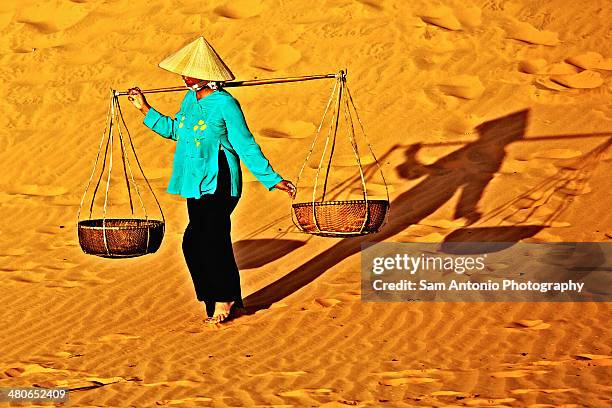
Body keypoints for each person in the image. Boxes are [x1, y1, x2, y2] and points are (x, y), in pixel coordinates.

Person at [126, 36, 296, 325]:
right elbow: (176, 131)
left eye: (189, 72)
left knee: (210, 239)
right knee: (194, 243)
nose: (183, 76)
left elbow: (245, 144)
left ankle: (224, 298)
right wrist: (144, 108)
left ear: (206, 76)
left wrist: (272, 178)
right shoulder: (189, 100)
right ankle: (227, 301)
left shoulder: (226, 104)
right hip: (194, 181)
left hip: (220, 179)